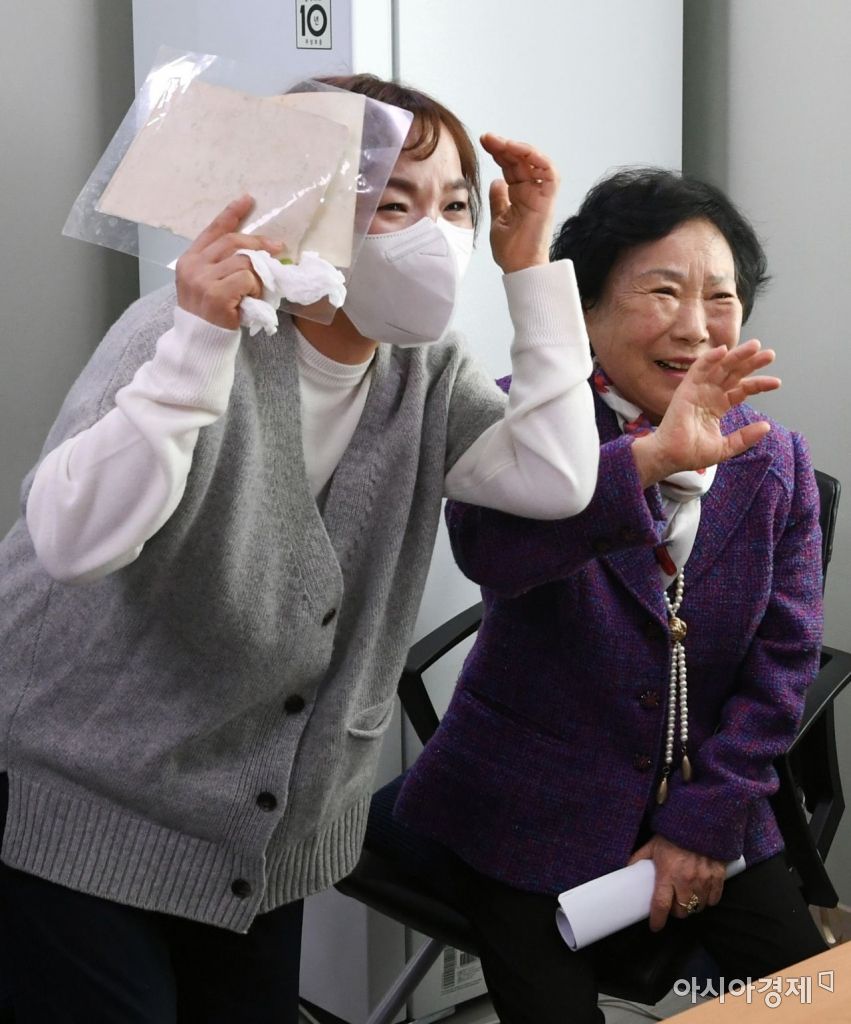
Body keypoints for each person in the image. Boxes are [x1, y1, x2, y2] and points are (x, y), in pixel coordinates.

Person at [0, 72, 607, 1023]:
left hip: (258, 831)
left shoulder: (423, 369)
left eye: (455, 207)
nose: (436, 237)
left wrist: (530, 268)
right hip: (89, 805)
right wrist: (196, 346)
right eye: (392, 205)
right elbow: (73, 543)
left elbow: (556, 479)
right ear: (303, 215)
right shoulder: (176, 331)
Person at [394, 168, 828, 1024]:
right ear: (583, 310)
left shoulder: (774, 461)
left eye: (719, 297)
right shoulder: (517, 423)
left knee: (819, 1001)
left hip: (708, 791)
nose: (694, 326)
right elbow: (492, 553)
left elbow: (784, 665)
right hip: (526, 803)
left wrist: (701, 825)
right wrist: (646, 464)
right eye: (661, 291)